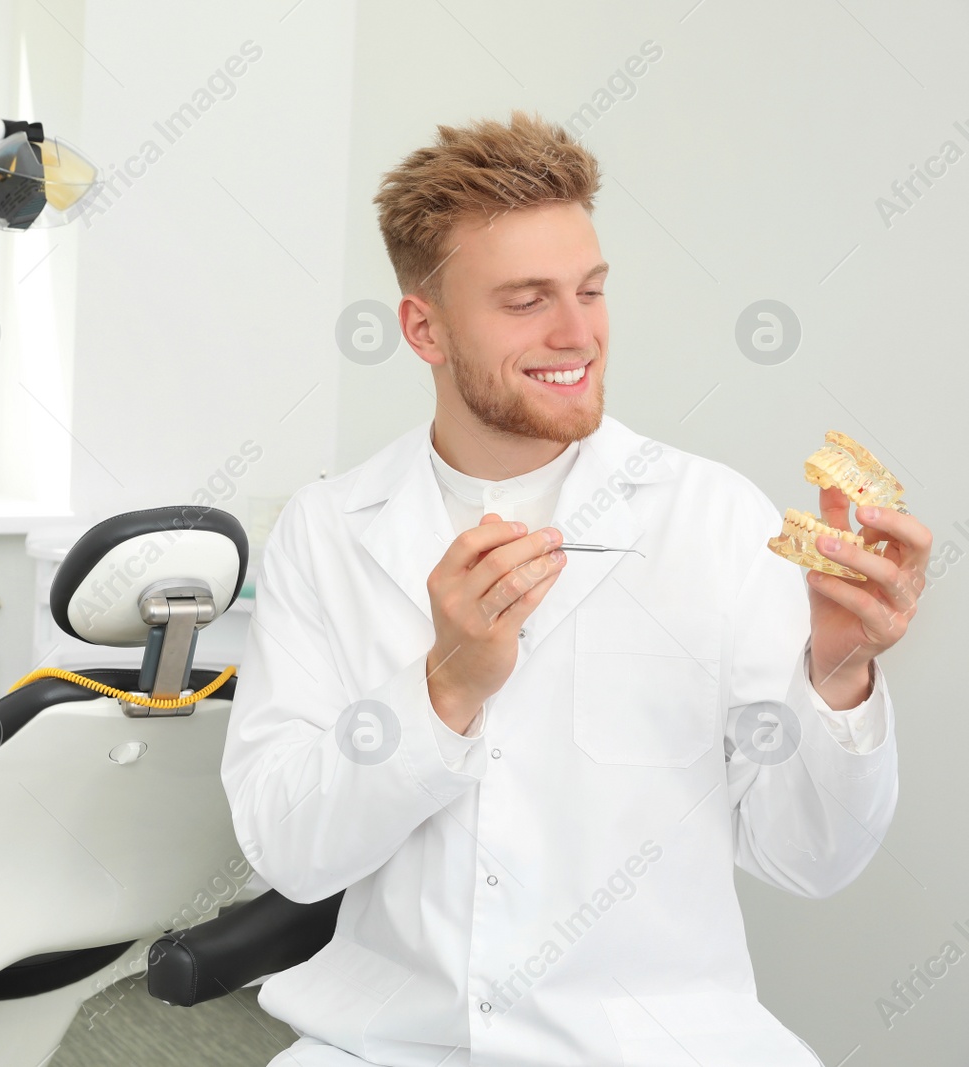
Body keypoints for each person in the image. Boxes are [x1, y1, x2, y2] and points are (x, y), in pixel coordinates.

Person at [221, 110, 931, 1067]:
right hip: (389, 1045)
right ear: (424, 328)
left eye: (591, 291)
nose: (577, 333)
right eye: (526, 301)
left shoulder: (712, 518)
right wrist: (446, 690)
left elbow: (811, 857)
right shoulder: (330, 530)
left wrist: (837, 679)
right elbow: (288, 851)